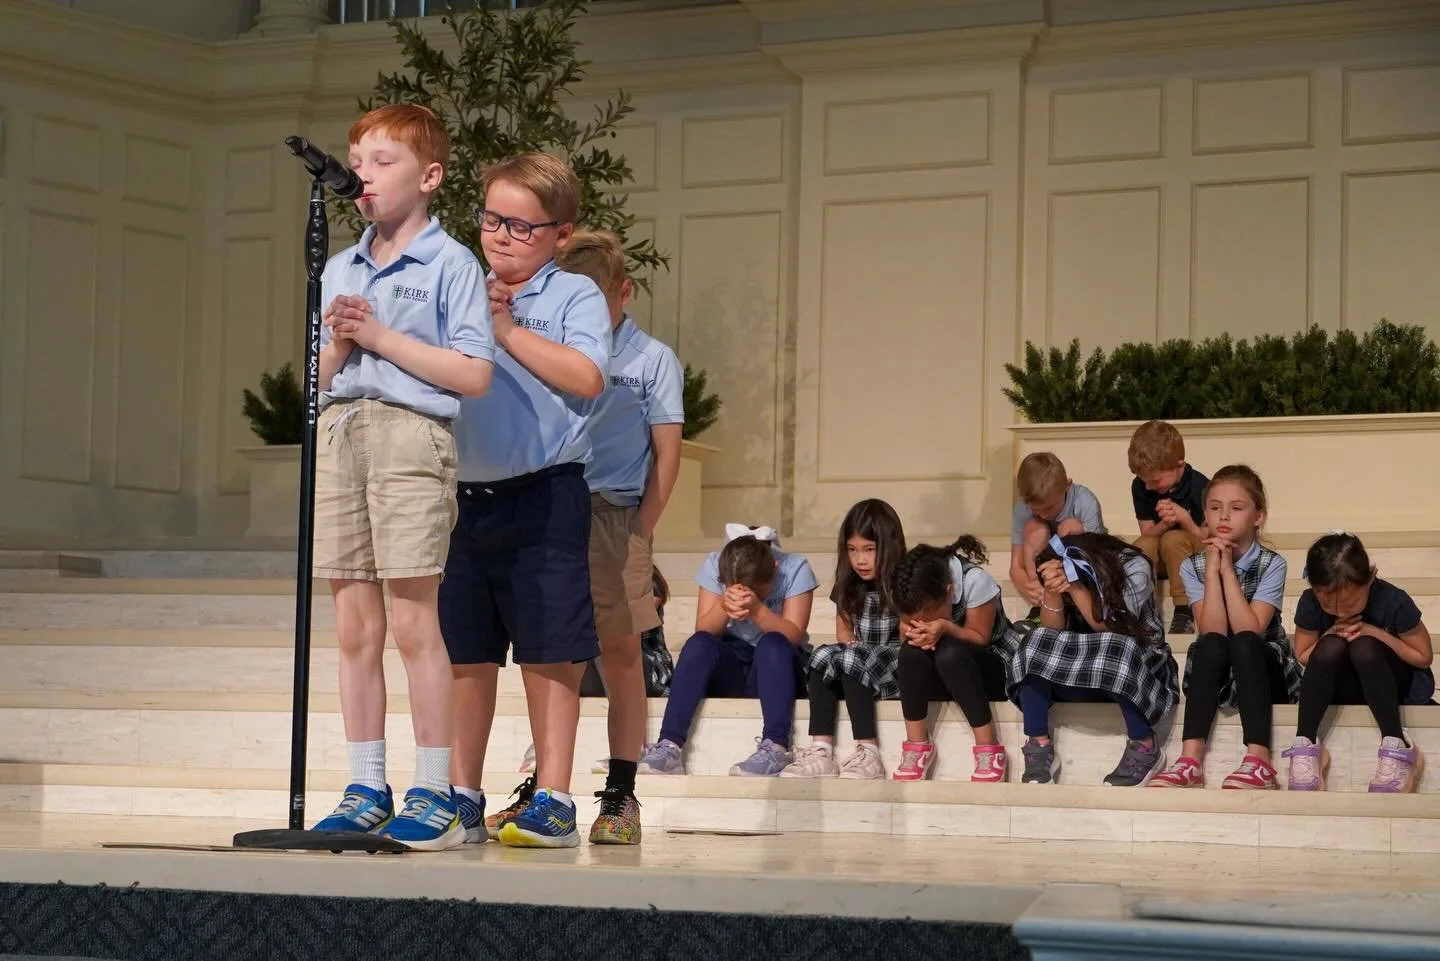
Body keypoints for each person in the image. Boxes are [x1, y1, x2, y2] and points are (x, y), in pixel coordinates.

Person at [309, 103, 494, 852]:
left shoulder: (451, 264)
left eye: (383, 161)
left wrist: (378, 335)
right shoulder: (340, 266)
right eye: (358, 162)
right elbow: (314, 382)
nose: (365, 175)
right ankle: (365, 783)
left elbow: (474, 372)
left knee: (416, 621)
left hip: (411, 437)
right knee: (355, 626)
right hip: (342, 432)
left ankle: (432, 787)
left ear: (430, 175)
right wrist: (335, 346)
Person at [441, 152, 611, 849]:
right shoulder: (459, 287)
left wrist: (506, 331)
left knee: (549, 651)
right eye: (491, 218)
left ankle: (556, 800)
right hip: (463, 499)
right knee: (466, 653)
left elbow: (588, 375)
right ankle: (460, 795)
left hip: (545, 495)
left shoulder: (573, 296)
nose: (501, 235)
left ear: (560, 234)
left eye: (521, 225)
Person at [551, 228, 684, 844]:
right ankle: (548, 792)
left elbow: (667, 453)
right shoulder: (550, 345)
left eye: (595, 297)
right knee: (554, 655)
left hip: (615, 516)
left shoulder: (651, 359)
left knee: (621, 654)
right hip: (552, 511)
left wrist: (641, 530)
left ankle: (622, 794)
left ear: (624, 292)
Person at [1150, 466, 1300, 789]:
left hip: (1263, 667)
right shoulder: (1193, 566)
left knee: (1244, 642)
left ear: (1258, 516)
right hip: (1221, 670)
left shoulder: (1272, 564)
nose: (1224, 517)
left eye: (1236, 508)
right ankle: (1190, 760)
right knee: (1210, 644)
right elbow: (1211, 629)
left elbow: (1253, 627)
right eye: (1215, 507)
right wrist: (1212, 572)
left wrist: (1228, 573)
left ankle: (1259, 760)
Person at [998, 532, 1179, 786]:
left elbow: (1114, 627)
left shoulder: (1132, 566)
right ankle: (1038, 745)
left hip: (1138, 667)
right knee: (1034, 640)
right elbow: (1052, 632)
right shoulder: (1059, 571)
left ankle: (1144, 745)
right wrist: (1053, 589)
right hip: (1083, 667)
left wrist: (1075, 585)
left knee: (1116, 645)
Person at [637, 527, 818, 777]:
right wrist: (723, 604)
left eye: (757, 590)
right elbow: (705, 628)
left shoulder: (794, 568)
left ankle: (776, 747)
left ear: (774, 570)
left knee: (773, 643)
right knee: (699, 643)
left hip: (778, 668)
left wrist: (758, 610)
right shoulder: (716, 564)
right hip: (732, 664)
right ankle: (669, 746)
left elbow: (795, 635)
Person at [1284, 532, 1433, 793]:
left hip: (1390, 682)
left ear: (1371, 578)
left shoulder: (1393, 600)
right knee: (1330, 645)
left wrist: (1375, 633)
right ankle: (1305, 744)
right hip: (1342, 686)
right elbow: (1304, 655)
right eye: (1329, 605)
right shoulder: (1309, 603)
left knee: (1364, 647)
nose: (1341, 612)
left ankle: (1397, 745)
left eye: (1350, 603)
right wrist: (1329, 634)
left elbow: (1423, 657)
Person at [781, 500, 906, 780]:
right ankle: (821, 749)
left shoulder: (905, 583)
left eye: (869, 550)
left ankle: (868, 751)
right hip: (860, 661)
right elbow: (845, 631)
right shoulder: (850, 584)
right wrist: (850, 650)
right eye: (852, 550)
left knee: (850, 657)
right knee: (824, 655)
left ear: (889, 546)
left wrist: (855, 654)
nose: (860, 559)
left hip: (895, 663)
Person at [891, 537, 1012, 782]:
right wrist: (912, 632)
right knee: (910, 652)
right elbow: (903, 627)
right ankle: (916, 745)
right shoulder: (907, 585)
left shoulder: (974, 581)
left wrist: (946, 627)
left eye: (927, 618)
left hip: (988, 663)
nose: (922, 624)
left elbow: (980, 637)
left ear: (949, 593)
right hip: (939, 670)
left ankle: (988, 747)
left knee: (950, 653)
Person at [1128, 420, 1209, 634]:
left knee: (1172, 539)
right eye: (1143, 480)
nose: (1148, 487)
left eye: (1155, 480)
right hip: (1161, 559)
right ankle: (1135, 608)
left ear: (1179, 465)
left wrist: (1184, 519)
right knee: (1142, 545)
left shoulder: (1199, 486)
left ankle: (1183, 610)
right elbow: (1147, 533)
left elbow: (1207, 539)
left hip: (1194, 557)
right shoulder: (1141, 487)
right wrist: (1165, 523)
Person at [1008, 452, 1105, 621]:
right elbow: (1015, 567)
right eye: (1036, 509)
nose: (1044, 515)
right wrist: (1027, 585)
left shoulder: (1084, 501)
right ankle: (1040, 609)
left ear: (1067, 485)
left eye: (1050, 507)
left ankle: (1081, 609)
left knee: (1070, 527)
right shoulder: (1021, 510)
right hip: (1045, 575)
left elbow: (1100, 555)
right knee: (1035, 528)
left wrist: (1078, 531)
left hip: (1080, 567)